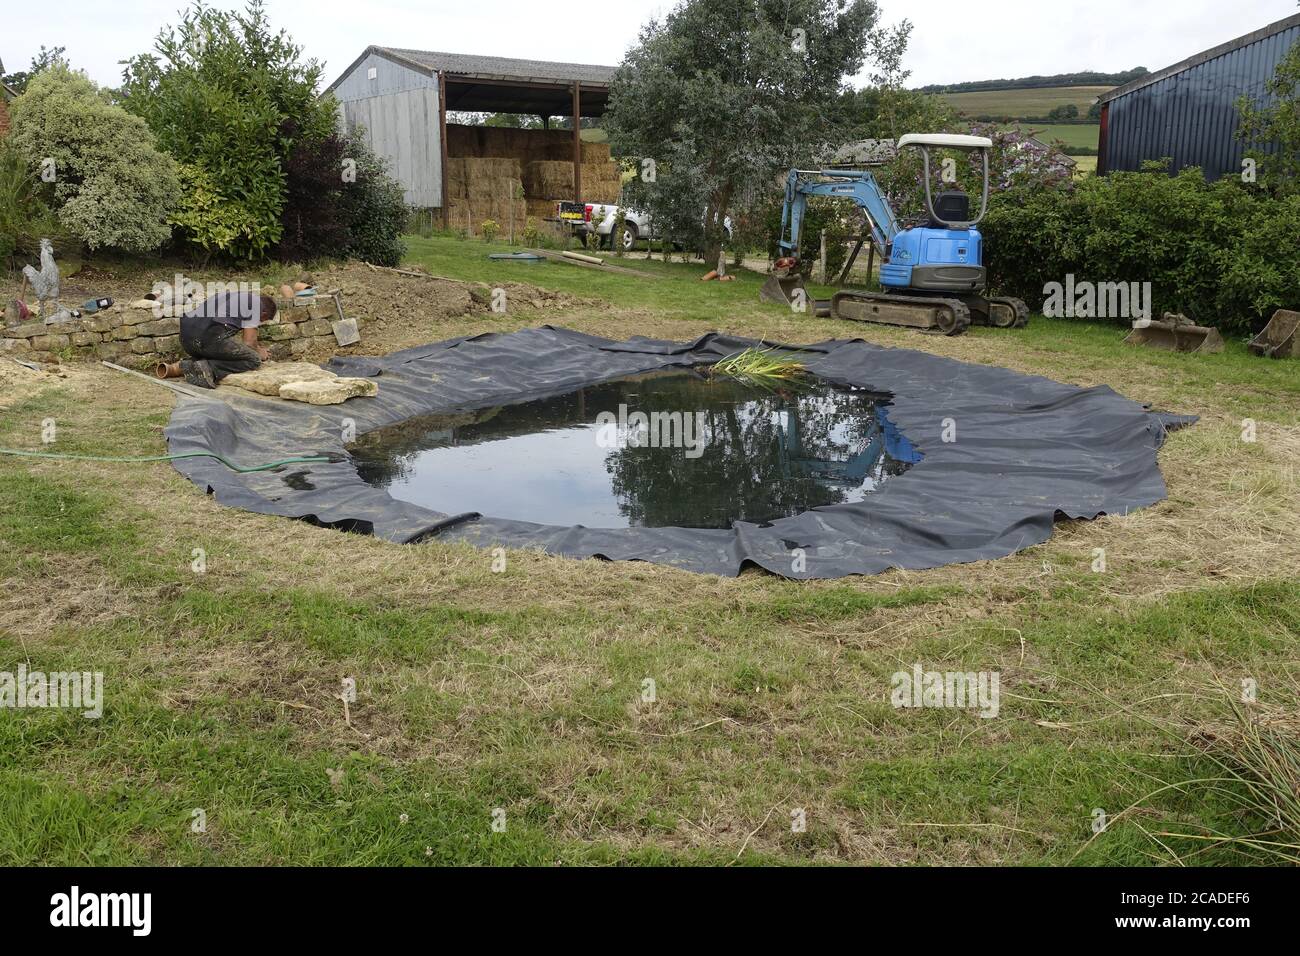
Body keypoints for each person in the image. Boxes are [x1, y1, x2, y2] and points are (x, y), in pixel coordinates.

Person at [177, 291, 276, 388]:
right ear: (264, 313)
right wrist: (260, 352)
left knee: (222, 352)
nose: (259, 322)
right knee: (254, 359)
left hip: (186, 340)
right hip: (208, 337)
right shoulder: (256, 304)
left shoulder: (229, 296)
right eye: (262, 320)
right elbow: (249, 342)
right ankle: (209, 369)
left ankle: (189, 364)